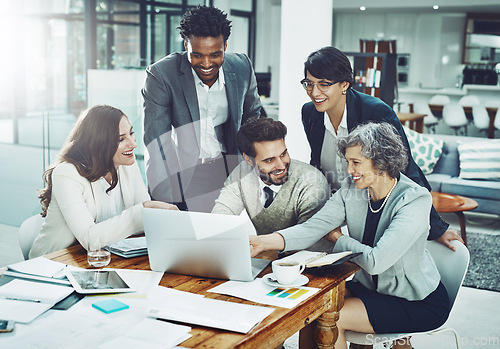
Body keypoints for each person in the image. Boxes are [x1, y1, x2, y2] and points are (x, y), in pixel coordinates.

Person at [250, 122, 452, 349]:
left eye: (356, 162)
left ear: (382, 161)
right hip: (370, 289)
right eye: (347, 162)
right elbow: (315, 226)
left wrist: (338, 239)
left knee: (335, 318)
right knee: (310, 307)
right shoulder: (352, 188)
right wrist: (262, 242)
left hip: (416, 301)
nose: (348, 170)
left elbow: (377, 262)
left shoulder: (414, 199)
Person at [300, 46, 462, 250]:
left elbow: (405, 167)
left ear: (344, 84)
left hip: (371, 205)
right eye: (309, 84)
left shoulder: (375, 111)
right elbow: (317, 162)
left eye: (324, 84)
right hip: (335, 203)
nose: (314, 93)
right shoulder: (310, 113)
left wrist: (436, 227)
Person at [142, 5, 262, 213]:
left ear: (225, 44)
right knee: (184, 238)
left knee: (224, 236)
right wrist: (165, 199)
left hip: (229, 168)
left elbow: (252, 118)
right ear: (186, 45)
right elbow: (157, 144)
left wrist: (253, 170)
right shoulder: (161, 75)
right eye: (197, 55)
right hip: (184, 172)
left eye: (215, 54)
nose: (206, 63)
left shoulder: (242, 67)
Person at [30, 105, 177, 258]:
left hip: (101, 259)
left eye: (131, 133)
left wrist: (159, 214)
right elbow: (90, 239)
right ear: (98, 143)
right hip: (53, 264)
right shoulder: (67, 174)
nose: (133, 144)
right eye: (121, 139)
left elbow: (145, 219)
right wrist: (142, 212)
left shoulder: (126, 165)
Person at [212, 117, 332, 252]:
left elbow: (308, 241)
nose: (281, 166)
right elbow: (220, 217)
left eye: (283, 154)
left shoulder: (311, 182)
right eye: (269, 160)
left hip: (315, 264)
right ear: (248, 160)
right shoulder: (242, 173)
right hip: (269, 261)